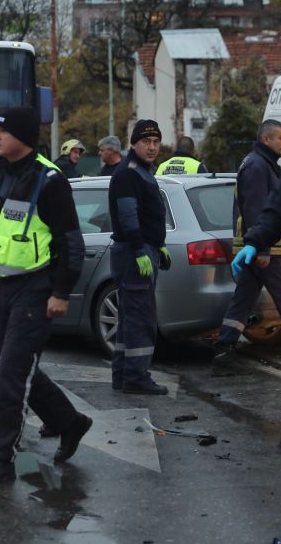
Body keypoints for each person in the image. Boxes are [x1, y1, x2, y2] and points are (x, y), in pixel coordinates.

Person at [0, 107, 91, 484]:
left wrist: (60, 292)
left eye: (2, 131)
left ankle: (0, 460)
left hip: (34, 290)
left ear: (22, 136)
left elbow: (71, 241)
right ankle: (69, 422)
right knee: (18, 368)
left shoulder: (49, 180)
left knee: (10, 376)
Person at [212, 120, 281, 377]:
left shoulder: (258, 163)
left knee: (242, 301)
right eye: (280, 137)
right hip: (267, 250)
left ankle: (223, 349)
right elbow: (257, 208)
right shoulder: (258, 166)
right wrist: (262, 249)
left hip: (252, 247)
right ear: (266, 139)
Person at [108, 119, 171, 395]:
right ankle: (136, 377)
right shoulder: (129, 173)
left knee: (129, 318)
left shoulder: (142, 171)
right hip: (135, 252)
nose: (152, 147)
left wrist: (159, 244)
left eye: (156, 142)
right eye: (146, 142)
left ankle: (124, 375)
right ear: (133, 143)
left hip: (145, 248)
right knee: (140, 318)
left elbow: (145, 214)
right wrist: (139, 250)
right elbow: (128, 216)